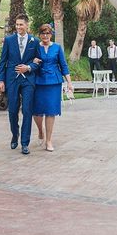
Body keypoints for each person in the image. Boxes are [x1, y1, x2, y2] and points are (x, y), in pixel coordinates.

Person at [0, 13, 40, 155]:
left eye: (21, 24)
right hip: (12, 80)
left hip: (28, 80)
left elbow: (38, 61)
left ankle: (25, 143)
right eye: (17, 25)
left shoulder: (34, 41)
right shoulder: (9, 40)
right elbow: (3, 61)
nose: (18, 27)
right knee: (13, 110)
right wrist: (1, 80)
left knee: (27, 110)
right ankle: (15, 135)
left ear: (27, 25)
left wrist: (28, 68)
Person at [33, 24, 73, 152]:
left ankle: (49, 140)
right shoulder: (35, 47)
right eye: (43, 33)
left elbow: (64, 65)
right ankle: (40, 131)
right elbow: (29, 62)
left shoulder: (57, 47)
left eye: (48, 33)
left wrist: (69, 83)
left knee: (50, 111)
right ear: (40, 34)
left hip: (53, 82)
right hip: (38, 81)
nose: (45, 36)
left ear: (51, 35)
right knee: (36, 111)